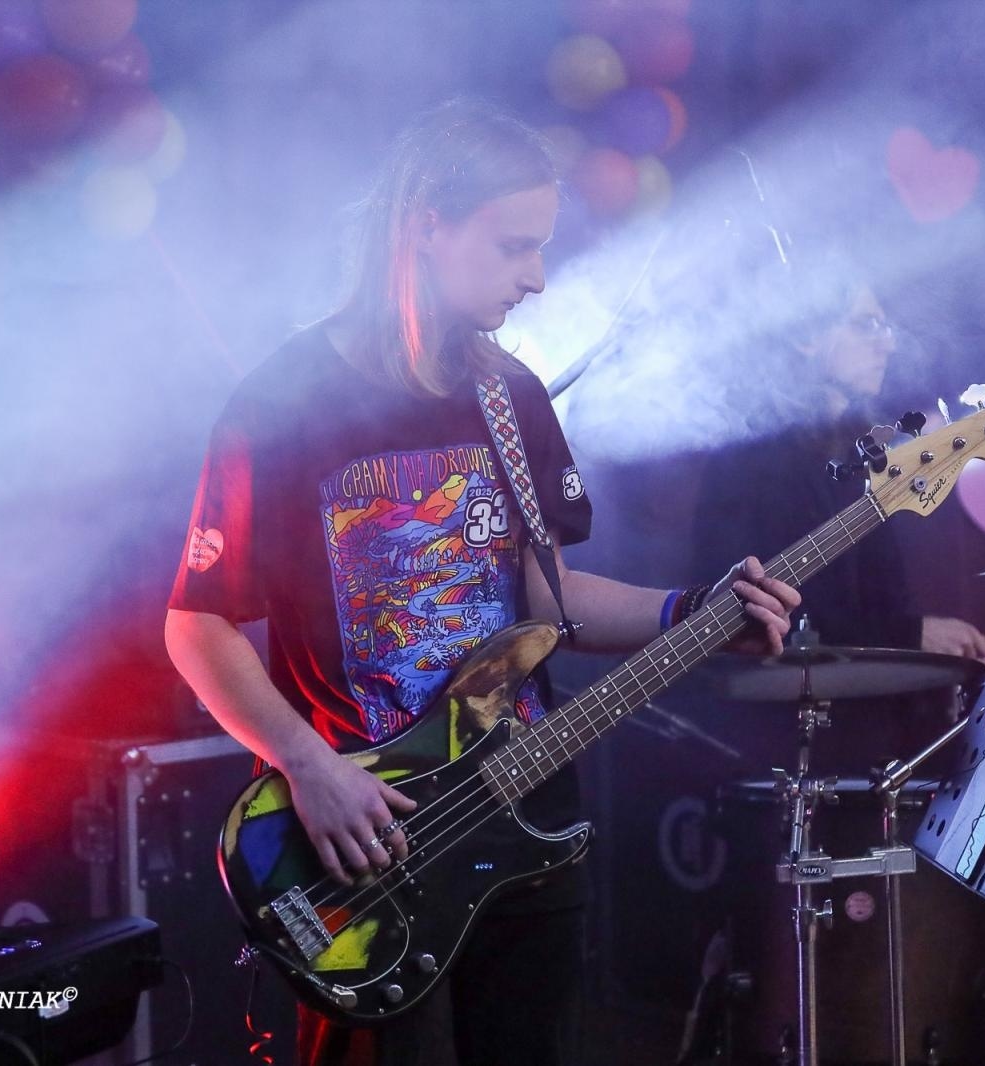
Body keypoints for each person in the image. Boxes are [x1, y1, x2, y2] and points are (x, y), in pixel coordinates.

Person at [163, 99, 801, 1066]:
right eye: (514, 247)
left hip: (523, 818)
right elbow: (195, 627)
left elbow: (542, 599)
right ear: (426, 226)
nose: (538, 278)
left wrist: (691, 614)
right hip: (367, 847)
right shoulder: (281, 404)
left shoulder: (513, 397)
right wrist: (309, 767)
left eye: (542, 249)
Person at [694, 258, 985, 661]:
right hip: (769, 711)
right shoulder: (752, 462)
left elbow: (887, 600)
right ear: (806, 335)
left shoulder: (862, 456)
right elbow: (759, 616)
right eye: (866, 325)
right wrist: (911, 634)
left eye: (886, 329)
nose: (887, 343)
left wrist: (924, 641)